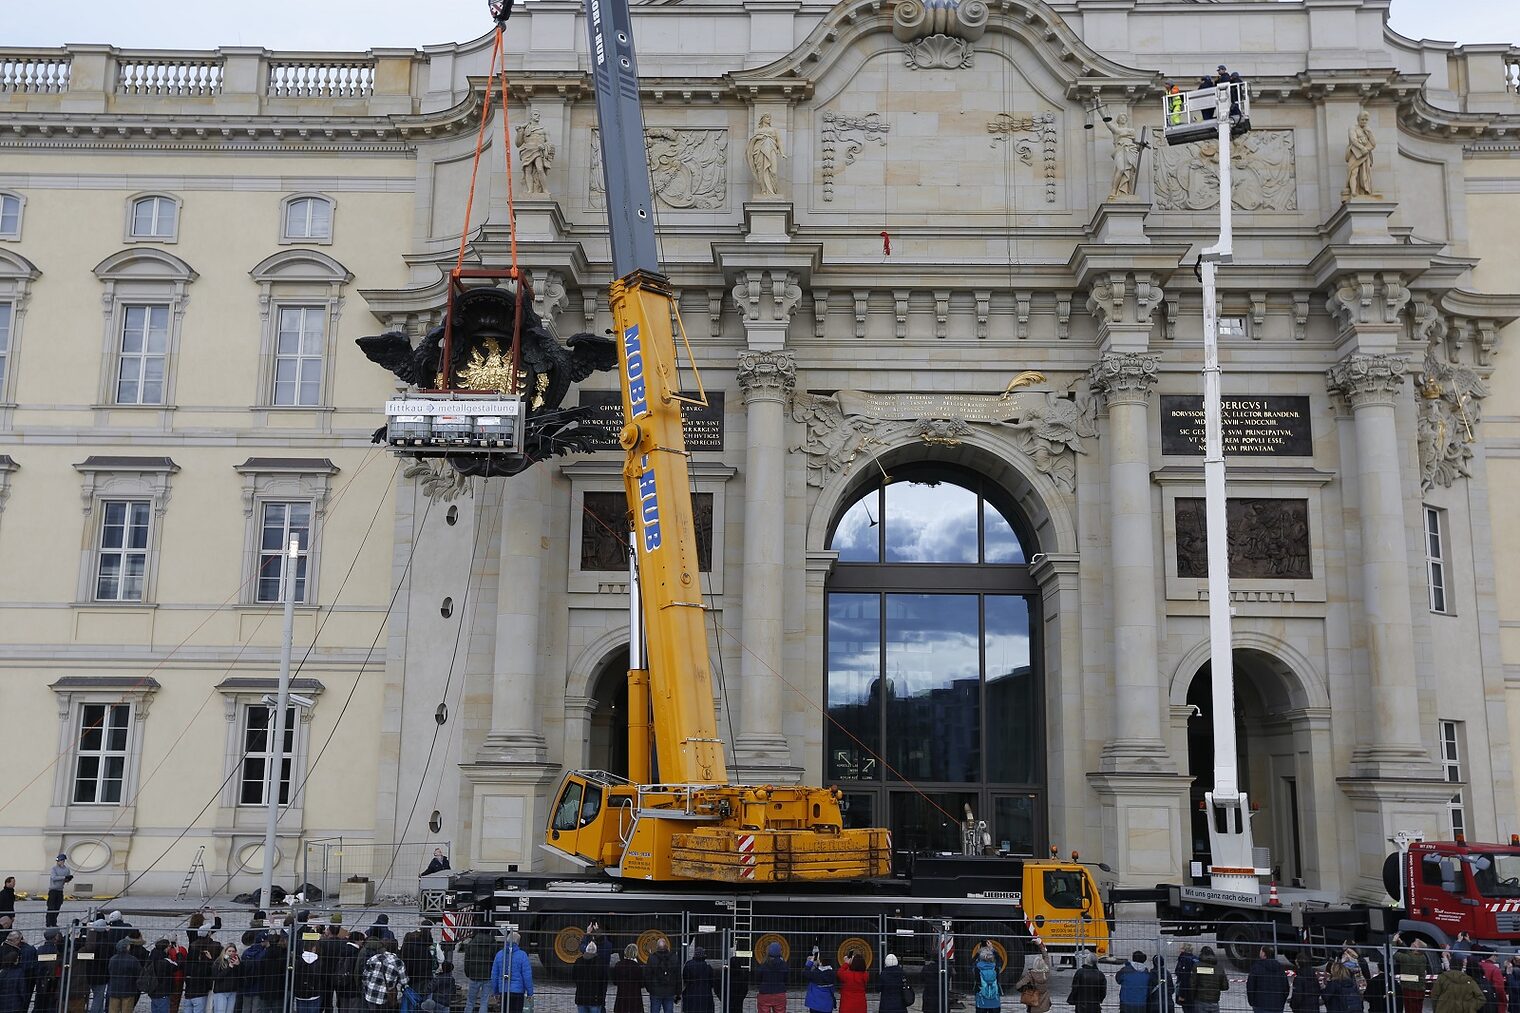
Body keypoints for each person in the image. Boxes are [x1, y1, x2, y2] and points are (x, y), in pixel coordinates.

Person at [489, 930, 533, 1013]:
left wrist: (495, 991)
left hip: (503, 990)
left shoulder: (499, 954)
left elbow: (494, 975)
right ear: (518, 942)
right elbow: (527, 976)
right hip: (518, 991)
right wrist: (530, 992)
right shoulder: (522, 955)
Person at [514, 110, 555, 196]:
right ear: (531, 116)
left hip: (537, 150)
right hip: (526, 150)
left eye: (539, 115)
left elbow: (549, 142)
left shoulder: (543, 129)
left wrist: (543, 145)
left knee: (540, 168)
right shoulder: (524, 129)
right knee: (527, 170)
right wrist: (519, 132)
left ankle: (545, 190)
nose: (538, 116)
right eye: (536, 114)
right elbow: (518, 143)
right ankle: (530, 190)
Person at [361, 940, 409, 1013]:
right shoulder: (398, 962)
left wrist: (368, 986)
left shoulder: (374, 958)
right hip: (386, 996)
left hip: (370, 994)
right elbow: (404, 981)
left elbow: (365, 976)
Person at [461, 929, 499, 1013]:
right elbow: (496, 961)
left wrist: (468, 973)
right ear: (489, 931)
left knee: (470, 1001)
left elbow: (467, 960)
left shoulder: (471, 943)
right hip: (487, 976)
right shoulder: (493, 944)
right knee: (484, 1001)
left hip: (474, 976)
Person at [747, 114, 783, 198]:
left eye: (770, 117)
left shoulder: (774, 130)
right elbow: (752, 142)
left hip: (772, 149)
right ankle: (764, 190)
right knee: (761, 170)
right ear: (762, 119)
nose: (769, 119)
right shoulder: (757, 131)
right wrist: (756, 138)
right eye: (767, 117)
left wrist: (782, 152)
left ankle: (772, 191)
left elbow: (779, 141)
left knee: (773, 171)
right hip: (759, 151)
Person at [1246, 947, 1289, 1013]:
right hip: (1277, 1005)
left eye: (1261, 951)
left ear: (1264, 954)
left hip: (1260, 1004)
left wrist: (1252, 1001)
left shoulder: (1256, 967)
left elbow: (1250, 986)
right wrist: (1282, 1001)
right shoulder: (1280, 968)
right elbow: (1286, 987)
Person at [1396, 940, 1432, 1013]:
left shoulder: (1408, 958)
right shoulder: (1423, 957)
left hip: (1409, 988)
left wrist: (1393, 942)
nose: (1412, 943)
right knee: (1418, 1009)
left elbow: (1393, 954)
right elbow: (1409, 952)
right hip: (1420, 988)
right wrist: (1400, 942)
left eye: (1414, 943)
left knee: (1409, 1009)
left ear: (1416, 948)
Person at [108, 938, 143, 1013]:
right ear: (127, 947)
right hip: (128, 990)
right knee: (126, 1010)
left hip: (114, 989)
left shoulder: (112, 959)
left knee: (113, 1010)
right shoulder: (133, 960)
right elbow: (138, 973)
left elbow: (110, 971)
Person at [574, 942, 610, 1013]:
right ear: (595, 951)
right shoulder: (600, 963)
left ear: (586, 950)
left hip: (581, 997)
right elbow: (604, 981)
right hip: (595, 999)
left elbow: (574, 977)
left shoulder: (578, 961)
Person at [682, 946, 719, 1013]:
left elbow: (685, 979)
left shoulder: (689, 964)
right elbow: (712, 982)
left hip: (691, 995)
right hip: (705, 995)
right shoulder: (707, 966)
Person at [755, 941, 789, 1013]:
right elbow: (786, 979)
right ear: (780, 951)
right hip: (780, 992)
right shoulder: (783, 964)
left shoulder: (763, 964)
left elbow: (758, 977)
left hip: (765, 992)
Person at [293, 940, 324, 1013]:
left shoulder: (297, 961)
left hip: (300, 993)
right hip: (315, 993)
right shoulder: (319, 962)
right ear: (314, 948)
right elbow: (322, 978)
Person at [209, 942, 240, 1013]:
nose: (231, 953)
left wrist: (238, 965)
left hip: (232, 991)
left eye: (233, 951)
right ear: (225, 951)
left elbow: (241, 975)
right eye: (229, 951)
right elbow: (216, 977)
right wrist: (229, 968)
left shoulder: (237, 961)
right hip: (221, 992)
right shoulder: (218, 962)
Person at [614, 944, 646, 1013]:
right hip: (634, 997)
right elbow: (642, 984)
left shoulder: (618, 965)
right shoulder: (637, 967)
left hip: (621, 996)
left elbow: (615, 982)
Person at [804, 948, 836, 1013]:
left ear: (820, 961)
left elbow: (805, 972)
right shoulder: (833, 973)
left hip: (814, 1004)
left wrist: (811, 961)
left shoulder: (815, 973)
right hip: (827, 1005)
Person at [45, 856, 71, 929]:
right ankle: (48, 922)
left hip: (60, 891)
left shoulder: (67, 870)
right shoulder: (54, 869)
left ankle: (54, 922)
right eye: (58, 861)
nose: (59, 862)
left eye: (60, 861)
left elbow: (66, 880)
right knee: (51, 907)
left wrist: (68, 879)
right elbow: (53, 878)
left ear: (63, 861)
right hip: (53, 890)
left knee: (57, 907)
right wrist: (64, 877)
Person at [1175, 945, 1199, 1013]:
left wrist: (1182, 995)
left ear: (1184, 950)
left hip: (1186, 991)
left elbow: (1184, 978)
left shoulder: (1184, 960)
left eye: (1181, 948)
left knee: (1187, 1009)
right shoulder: (1196, 959)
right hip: (1195, 990)